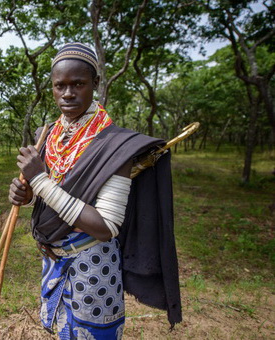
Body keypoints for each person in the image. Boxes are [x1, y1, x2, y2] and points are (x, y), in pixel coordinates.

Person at [9, 43, 181, 340]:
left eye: (78, 84)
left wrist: (39, 181)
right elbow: (54, 190)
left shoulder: (115, 145)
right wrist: (26, 194)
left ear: (95, 84)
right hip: (53, 259)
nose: (68, 93)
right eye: (59, 85)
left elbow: (105, 226)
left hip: (92, 265)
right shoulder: (48, 135)